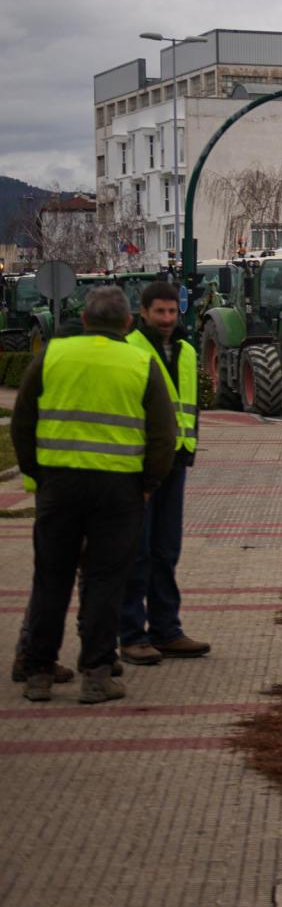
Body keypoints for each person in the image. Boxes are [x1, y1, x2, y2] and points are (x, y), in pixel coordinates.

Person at [12, 286, 176, 704]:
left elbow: (22, 422)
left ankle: (38, 673)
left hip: (58, 485)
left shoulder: (51, 355)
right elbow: (163, 435)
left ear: (84, 320)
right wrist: (148, 485)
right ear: (128, 322)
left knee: (51, 579)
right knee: (105, 581)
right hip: (119, 491)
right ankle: (97, 675)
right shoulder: (141, 362)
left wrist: (37, 474)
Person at [118, 281, 210, 666]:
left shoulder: (187, 350)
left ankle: (166, 630)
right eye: (160, 311)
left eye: (172, 311)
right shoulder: (130, 349)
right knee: (137, 553)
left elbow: (189, 405)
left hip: (175, 461)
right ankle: (132, 634)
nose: (168, 319)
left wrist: (189, 446)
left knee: (166, 551)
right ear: (143, 312)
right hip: (139, 465)